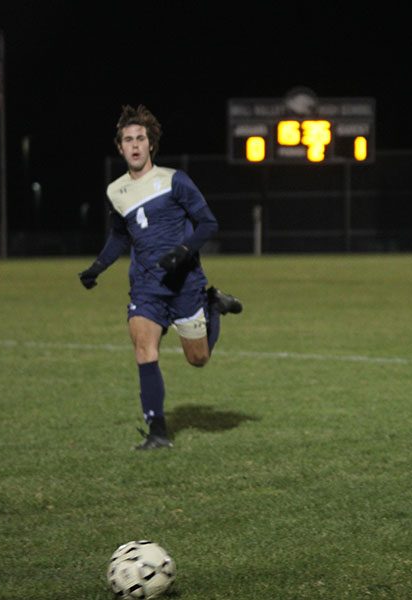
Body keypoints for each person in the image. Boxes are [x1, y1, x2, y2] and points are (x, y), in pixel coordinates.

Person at [78, 105, 243, 451]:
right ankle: (158, 432)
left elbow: (209, 223)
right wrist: (97, 267)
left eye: (141, 138)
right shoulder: (116, 191)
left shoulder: (174, 180)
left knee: (197, 359)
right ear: (120, 147)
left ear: (150, 145)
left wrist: (182, 252)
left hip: (185, 284)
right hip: (146, 286)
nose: (135, 145)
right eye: (128, 140)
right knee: (143, 348)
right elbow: (121, 235)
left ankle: (212, 303)